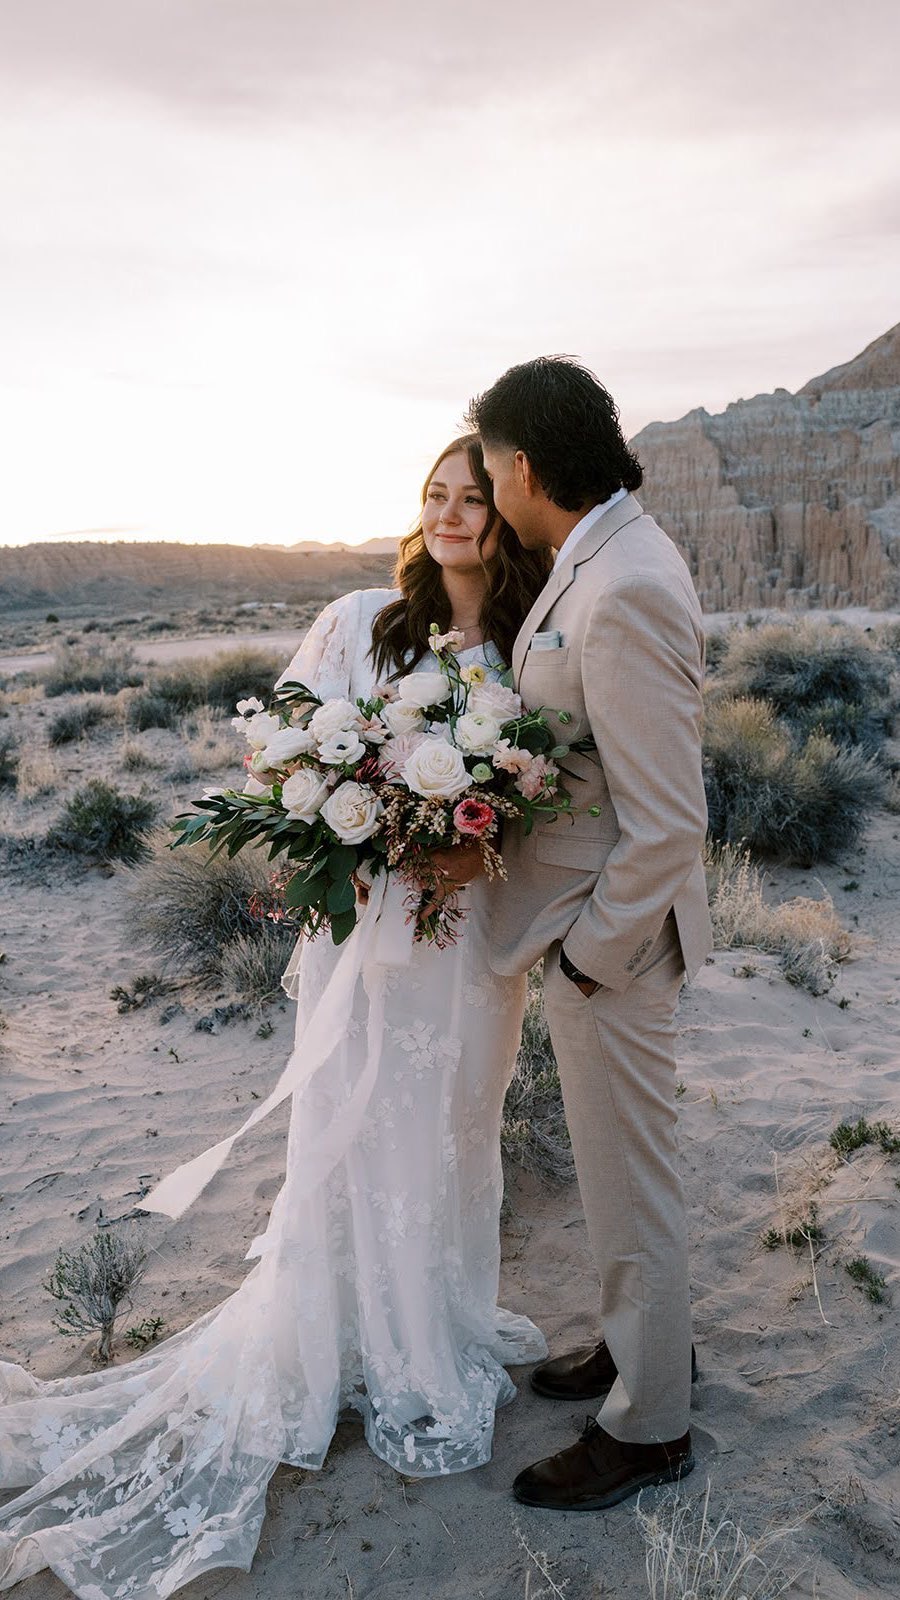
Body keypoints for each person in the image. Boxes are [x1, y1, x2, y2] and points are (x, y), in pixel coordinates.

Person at [0, 435, 552, 1598]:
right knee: (357, 1136)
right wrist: (348, 829)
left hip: (466, 952)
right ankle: (345, 1344)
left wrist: (475, 834)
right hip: (366, 938)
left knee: (451, 1129)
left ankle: (429, 1323)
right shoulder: (362, 620)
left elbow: (534, 792)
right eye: (434, 496)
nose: (451, 516)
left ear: (504, 519)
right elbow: (282, 760)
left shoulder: (522, 644)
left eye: (473, 500)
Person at [462, 357, 713, 1511]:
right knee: (620, 1181)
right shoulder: (601, 557)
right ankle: (636, 1346)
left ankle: (650, 1427)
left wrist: (587, 957)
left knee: (633, 1184)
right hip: (593, 935)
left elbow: (668, 823)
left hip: (612, 948)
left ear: (521, 467)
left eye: (487, 468)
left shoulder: (627, 584)